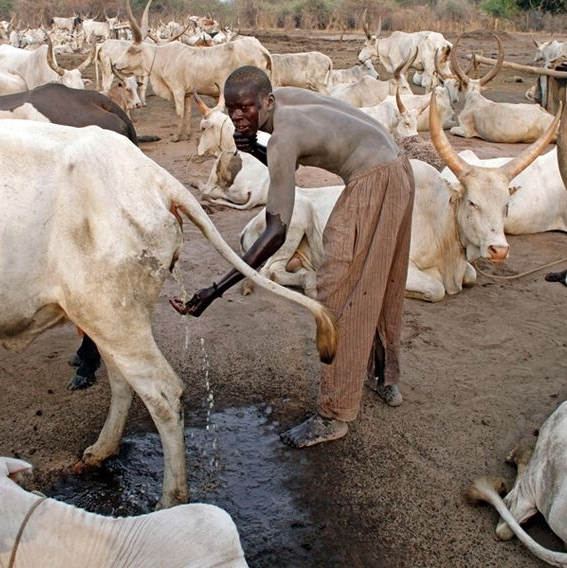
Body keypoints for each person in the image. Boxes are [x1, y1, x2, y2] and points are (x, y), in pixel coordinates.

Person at [170, 65, 414, 448]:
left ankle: (334, 414)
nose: (237, 117)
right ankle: (385, 377)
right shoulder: (282, 100)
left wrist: (217, 289)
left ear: (265, 102)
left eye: (246, 109)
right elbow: (302, 151)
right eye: (232, 110)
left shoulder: (283, 137)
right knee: (382, 277)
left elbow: (276, 230)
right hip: (398, 166)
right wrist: (258, 149)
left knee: (338, 289)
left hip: (374, 180)